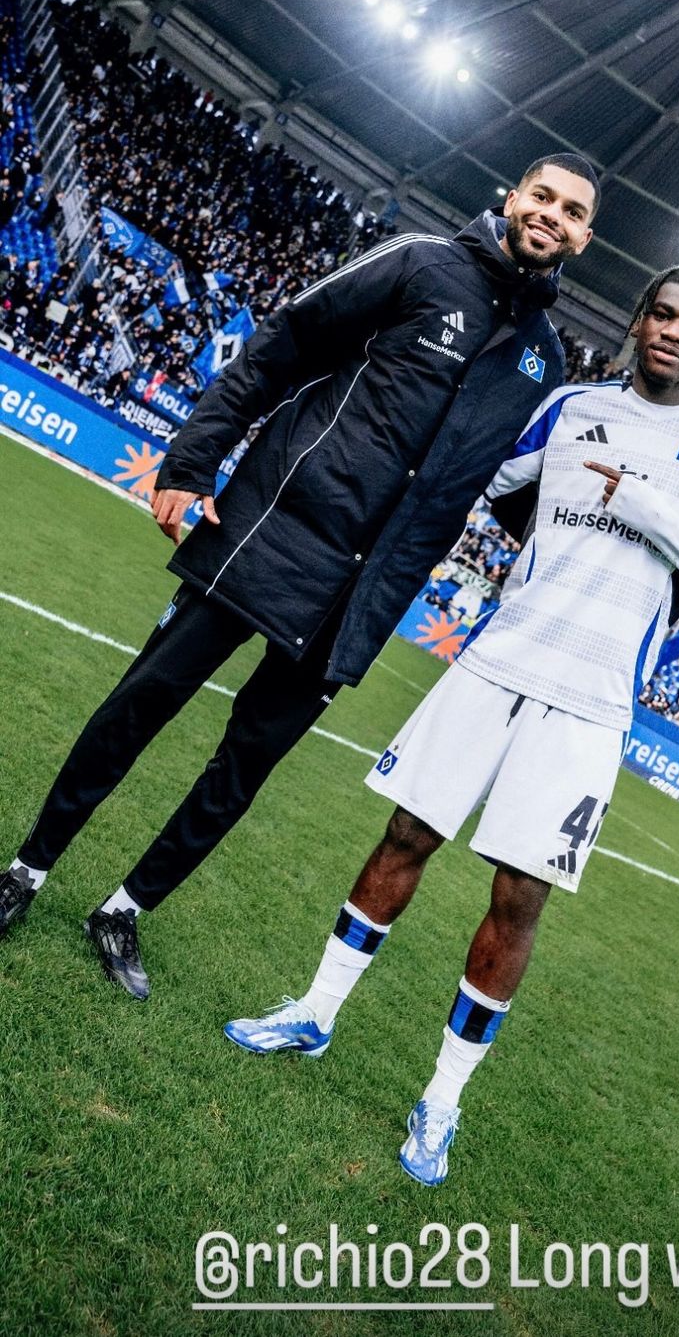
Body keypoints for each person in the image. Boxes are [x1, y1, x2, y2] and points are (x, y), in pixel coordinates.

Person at [224, 264, 679, 1185]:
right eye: (660, 314)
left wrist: (644, 511)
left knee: (518, 898)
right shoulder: (568, 407)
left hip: (593, 701)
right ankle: (315, 1011)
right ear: (639, 321)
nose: (671, 332)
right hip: (496, 659)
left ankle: (441, 1099)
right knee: (404, 835)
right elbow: (492, 483)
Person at [0, 155, 599, 997]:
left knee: (241, 770)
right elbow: (280, 348)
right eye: (542, 196)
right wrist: (191, 459)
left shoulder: (544, 360)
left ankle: (126, 909)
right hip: (268, 531)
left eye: (572, 211)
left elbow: (499, 485)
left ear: (583, 235)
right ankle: (27, 869)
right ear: (512, 198)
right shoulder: (420, 259)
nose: (552, 215)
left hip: (356, 599)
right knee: (142, 702)